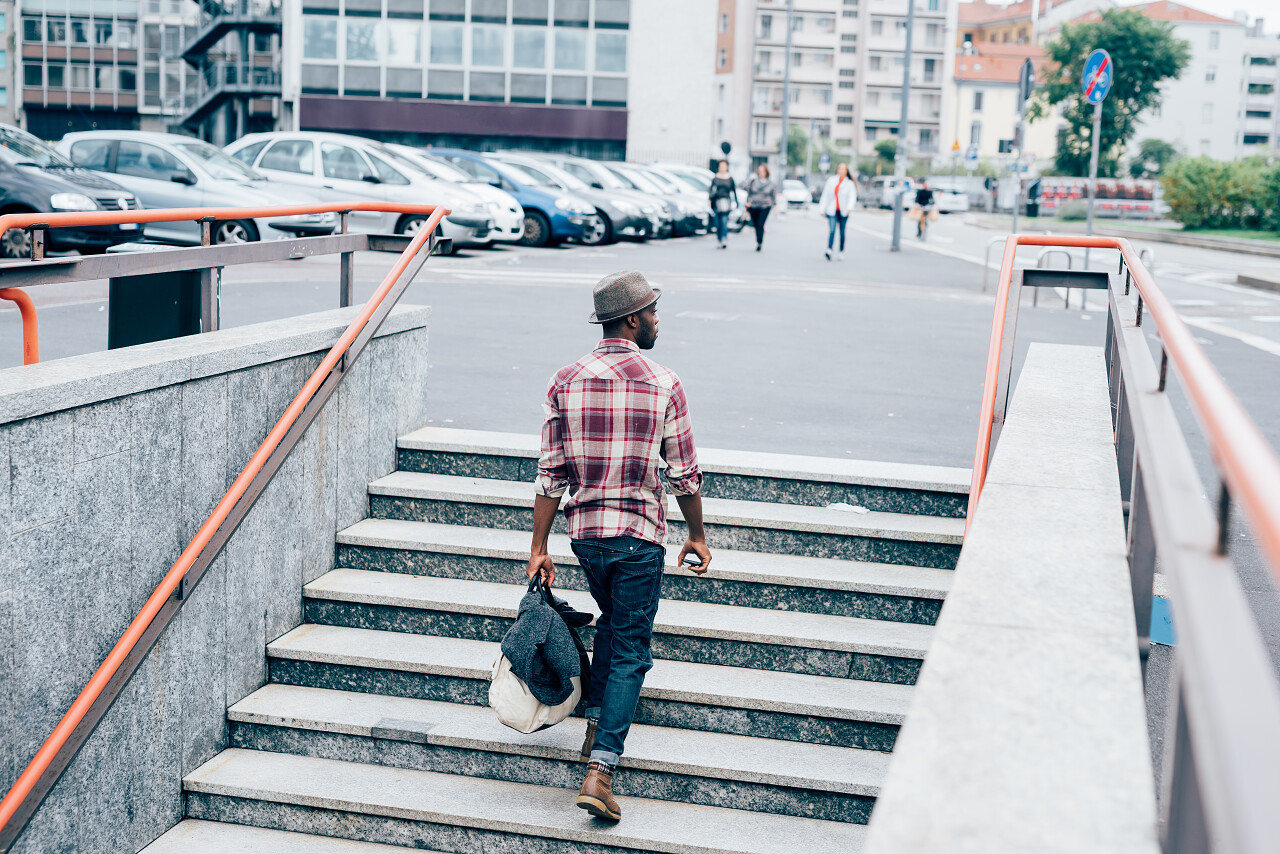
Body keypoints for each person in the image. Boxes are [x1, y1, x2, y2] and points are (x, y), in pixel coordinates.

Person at [528, 271, 713, 823]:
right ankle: (601, 771)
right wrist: (697, 534)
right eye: (654, 311)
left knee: (612, 622)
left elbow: (550, 473)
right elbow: (684, 474)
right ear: (632, 319)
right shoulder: (663, 382)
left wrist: (539, 546)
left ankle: (592, 729)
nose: (658, 320)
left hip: (585, 536)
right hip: (637, 537)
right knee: (632, 646)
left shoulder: (565, 380)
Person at [819, 162, 856, 261]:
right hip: (832, 210)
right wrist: (822, 209)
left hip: (844, 211)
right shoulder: (831, 181)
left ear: (846, 171)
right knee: (832, 230)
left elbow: (852, 197)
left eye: (844, 169)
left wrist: (849, 208)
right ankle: (829, 250)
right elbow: (825, 195)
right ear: (837, 170)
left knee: (842, 232)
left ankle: (841, 251)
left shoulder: (849, 183)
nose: (842, 171)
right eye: (840, 168)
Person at [741, 163, 777, 251]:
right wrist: (748, 203)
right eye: (759, 171)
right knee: (756, 224)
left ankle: (759, 242)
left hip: (765, 206)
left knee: (760, 224)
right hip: (753, 206)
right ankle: (758, 239)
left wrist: (775, 207)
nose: (761, 173)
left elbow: (773, 196)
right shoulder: (753, 182)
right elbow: (749, 193)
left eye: (763, 171)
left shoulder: (770, 184)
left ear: (766, 172)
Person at [708, 160, 737, 249]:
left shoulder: (730, 178)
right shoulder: (715, 178)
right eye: (721, 166)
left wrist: (736, 202)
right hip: (716, 202)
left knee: (724, 221)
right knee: (717, 223)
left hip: (726, 202)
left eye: (724, 166)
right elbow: (711, 190)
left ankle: (724, 238)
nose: (722, 167)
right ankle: (719, 239)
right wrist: (709, 199)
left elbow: (734, 191)